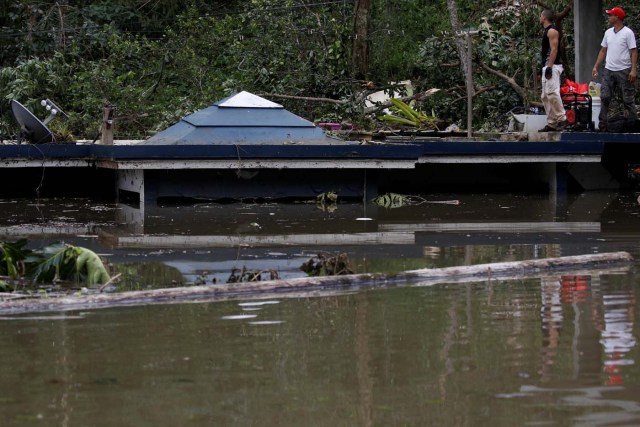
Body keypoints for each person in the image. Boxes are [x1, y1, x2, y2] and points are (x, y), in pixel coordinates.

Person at [591, 6, 638, 132]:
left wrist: (633, 69)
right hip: (609, 69)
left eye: (611, 15)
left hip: (624, 69)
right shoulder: (608, 33)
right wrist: (596, 66)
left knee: (627, 98)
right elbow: (603, 50)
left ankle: (633, 124)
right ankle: (603, 125)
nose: (609, 17)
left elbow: (633, 51)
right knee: (605, 96)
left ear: (617, 17)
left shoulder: (627, 33)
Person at [539, 9, 567, 132]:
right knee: (545, 96)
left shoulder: (552, 31)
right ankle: (551, 123)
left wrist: (550, 67)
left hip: (553, 66)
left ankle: (562, 119)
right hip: (546, 66)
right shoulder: (546, 31)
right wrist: (543, 69)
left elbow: (554, 50)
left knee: (552, 93)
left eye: (541, 16)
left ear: (544, 17)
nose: (540, 18)